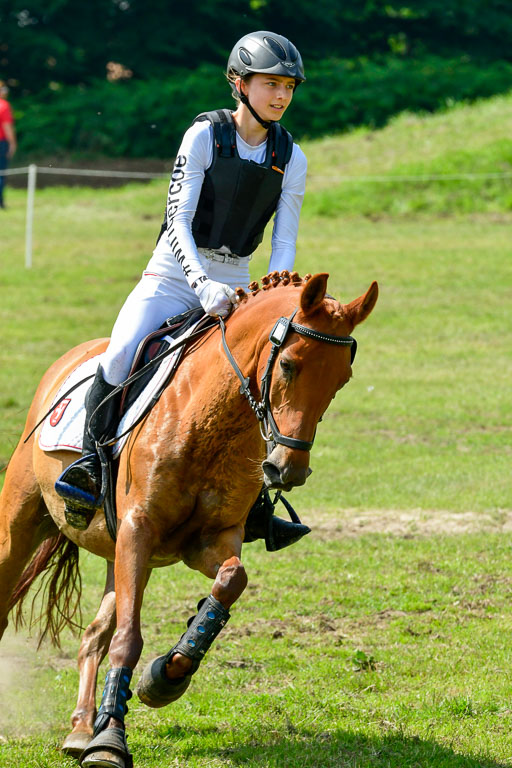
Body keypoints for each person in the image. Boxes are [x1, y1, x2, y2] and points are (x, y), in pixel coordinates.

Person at [56, 31, 308, 533]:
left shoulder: (291, 156)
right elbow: (177, 222)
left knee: (254, 378)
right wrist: (201, 284)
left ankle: (255, 501)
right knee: (123, 351)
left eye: (289, 86)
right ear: (240, 83)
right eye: (270, 84)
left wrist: (275, 296)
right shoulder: (204, 136)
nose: (281, 95)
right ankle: (89, 465)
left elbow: (283, 242)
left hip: (237, 278)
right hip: (173, 273)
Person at [0, 82, 17, 209]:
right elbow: (6, 126)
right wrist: (12, 143)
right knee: (0, 173)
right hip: (1, 143)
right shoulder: (4, 106)